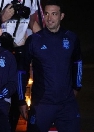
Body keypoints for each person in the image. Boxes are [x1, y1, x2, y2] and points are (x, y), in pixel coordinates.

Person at [0, 0, 42, 131]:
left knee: (17, 97)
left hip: (19, 52)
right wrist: (2, 18)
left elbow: (30, 20)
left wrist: (47, 40)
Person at [24, 0, 82, 131]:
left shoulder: (71, 38)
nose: (49, 18)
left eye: (54, 14)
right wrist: (22, 100)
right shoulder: (34, 40)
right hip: (41, 104)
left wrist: (77, 87)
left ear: (61, 16)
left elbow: (77, 64)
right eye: (46, 14)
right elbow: (22, 70)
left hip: (67, 104)